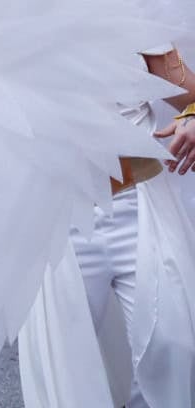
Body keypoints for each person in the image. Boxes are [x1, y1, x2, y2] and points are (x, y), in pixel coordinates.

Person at [20, 44, 195, 408]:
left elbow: (193, 100)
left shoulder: (136, 24)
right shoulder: (13, 22)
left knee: (174, 345)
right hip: (61, 224)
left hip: (138, 207)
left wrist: (192, 121)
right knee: (68, 370)